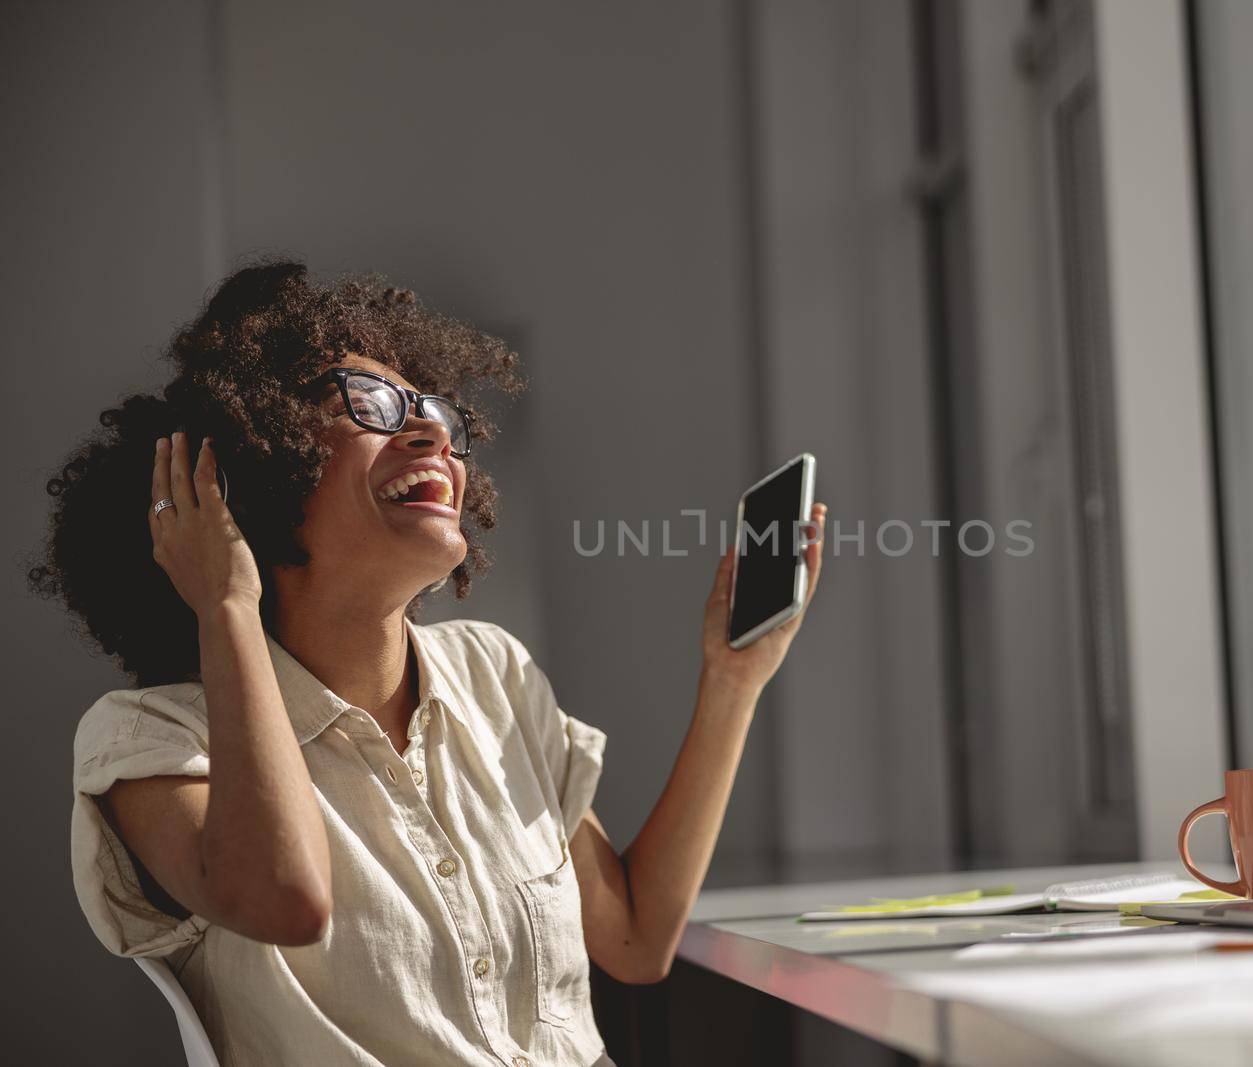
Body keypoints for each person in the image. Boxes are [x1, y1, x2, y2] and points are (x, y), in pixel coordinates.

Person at [27, 260, 825, 1066]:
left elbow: (636, 937)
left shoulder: (497, 676)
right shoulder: (151, 741)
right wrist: (226, 603)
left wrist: (731, 680)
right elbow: (286, 898)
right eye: (368, 404)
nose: (434, 433)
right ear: (249, 470)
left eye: (437, 412)